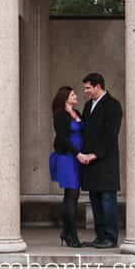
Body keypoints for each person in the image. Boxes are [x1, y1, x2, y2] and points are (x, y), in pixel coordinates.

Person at [79, 71, 124, 249]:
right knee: (95, 199)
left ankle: (111, 237)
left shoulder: (113, 105)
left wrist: (95, 154)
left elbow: (110, 134)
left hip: (105, 161)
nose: (86, 91)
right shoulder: (88, 105)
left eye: (88, 88)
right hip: (91, 162)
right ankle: (100, 236)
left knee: (107, 199)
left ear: (98, 86)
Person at [49, 86, 84, 248]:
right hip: (67, 157)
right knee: (71, 196)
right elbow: (62, 138)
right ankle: (72, 235)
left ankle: (65, 231)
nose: (75, 96)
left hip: (79, 157)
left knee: (73, 197)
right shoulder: (60, 115)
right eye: (72, 94)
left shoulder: (77, 113)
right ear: (65, 98)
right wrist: (77, 153)